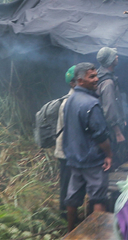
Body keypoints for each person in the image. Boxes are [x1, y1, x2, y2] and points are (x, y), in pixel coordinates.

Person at [63, 62, 113, 233]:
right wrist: (108, 154)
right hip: (92, 159)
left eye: (96, 75)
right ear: (80, 81)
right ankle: (99, 234)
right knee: (98, 197)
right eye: (91, 77)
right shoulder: (92, 104)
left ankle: (70, 231)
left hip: (74, 158)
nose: (96, 79)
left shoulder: (69, 100)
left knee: (73, 197)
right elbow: (100, 135)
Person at [96, 46, 127, 165]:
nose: (117, 56)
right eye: (114, 56)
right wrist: (118, 132)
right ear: (110, 61)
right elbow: (109, 109)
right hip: (110, 129)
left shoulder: (100, 75)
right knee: (116, 160)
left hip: (106, 127)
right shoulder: (107, 82)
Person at [55, 65, 77, 216]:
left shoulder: (74, 100)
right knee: (66, 181)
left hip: (68, 149)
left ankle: (68, 210)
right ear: (73, 83)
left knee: (68, 180)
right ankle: (65, 211)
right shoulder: (68, 102)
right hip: (66, 150)